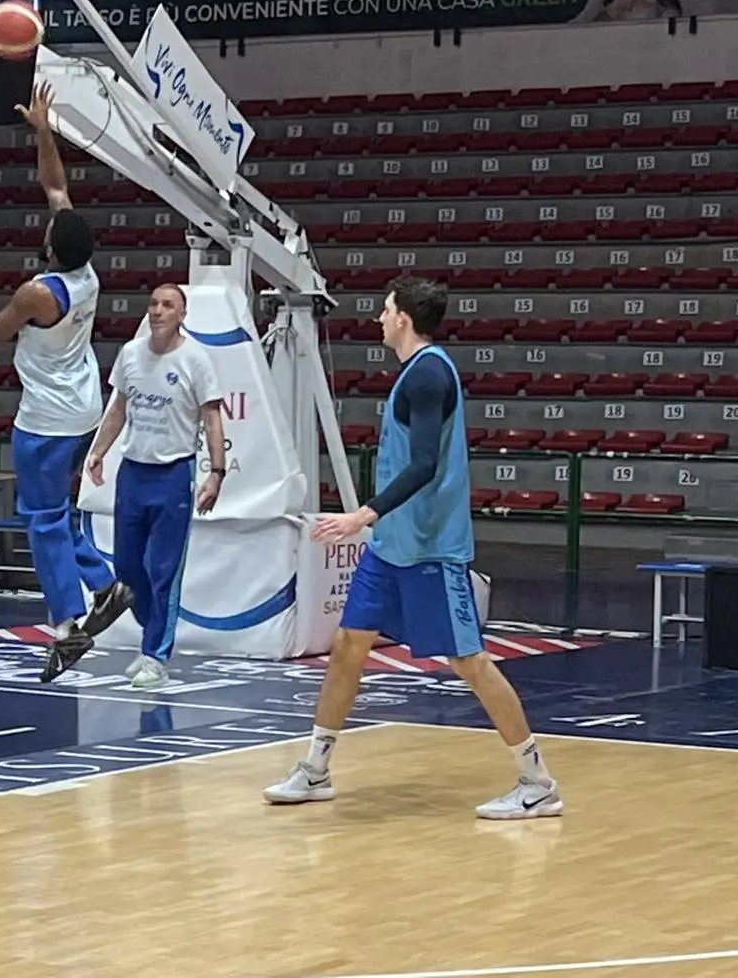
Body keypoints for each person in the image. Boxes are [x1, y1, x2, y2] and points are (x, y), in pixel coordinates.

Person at [263, 276, 563, 820]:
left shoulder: (427, 375)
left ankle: (537, 781)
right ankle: (314, 768)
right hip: (391, 547)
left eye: (384, 308)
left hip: (430, 548)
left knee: (469, 661)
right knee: (349, 646)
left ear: (403, 317)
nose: (378, 317)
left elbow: (424, 465)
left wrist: (362, 513)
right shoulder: (414, 373)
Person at [0, 80, 117, 682]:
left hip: (45, 419)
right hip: (84, 409)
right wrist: (44, 131)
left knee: (41, 520)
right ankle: (102, 582)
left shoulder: (37, 292)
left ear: (50, 246)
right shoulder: (86, 273)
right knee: (59, 513)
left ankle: (66, 627)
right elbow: (56, 187)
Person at [81, 284, 227, 688]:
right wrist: (97, 451)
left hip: (172, 476)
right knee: (128, 571)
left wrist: (216, 472)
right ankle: (151, 635)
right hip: (133, 473)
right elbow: (119, 408)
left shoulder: (195, 359)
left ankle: (155, 655)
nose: (159, 311)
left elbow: (212, 417)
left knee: (163, 571)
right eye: (154, 304)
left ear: (183, 314)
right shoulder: (130, 354)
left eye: (168, 305)